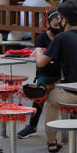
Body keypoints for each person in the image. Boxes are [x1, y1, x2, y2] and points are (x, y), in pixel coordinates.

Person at [32, 0, 77, 153]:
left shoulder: (61, 38)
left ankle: (51, 140)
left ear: (63, 20)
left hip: (76, 94)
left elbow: (41, 63)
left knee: (51, 96)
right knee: (61, 83)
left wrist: (38, 50)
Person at [17, 9, 63, 139]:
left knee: (67, 92)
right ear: (48, 24)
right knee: (39, 97)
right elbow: (39, 58)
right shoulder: (42, 38)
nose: (58, 28)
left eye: (60, 25)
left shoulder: (64, 36)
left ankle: (74, 123)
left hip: (61, 71)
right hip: (45, 71)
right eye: (55, 26)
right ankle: (32, 126)